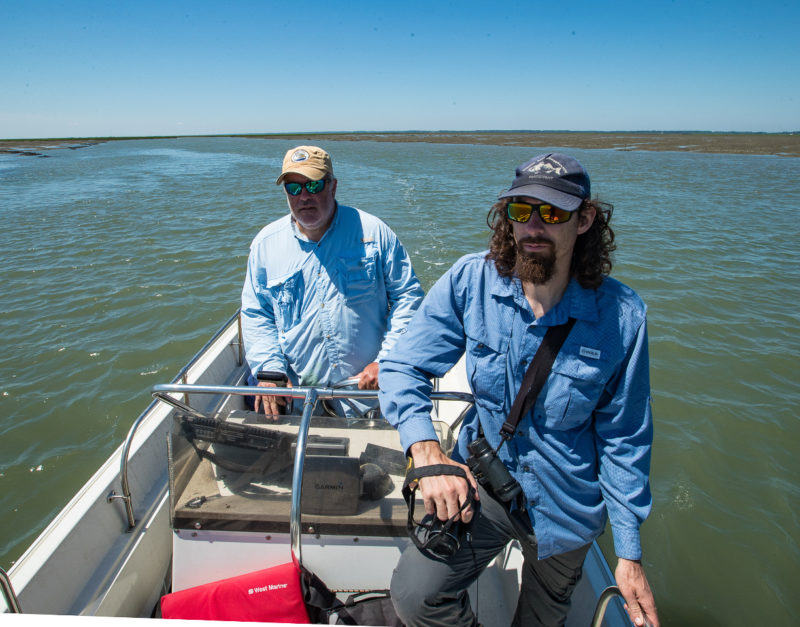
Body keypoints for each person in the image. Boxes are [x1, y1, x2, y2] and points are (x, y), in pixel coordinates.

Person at [379, 153, 659, 627]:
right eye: (520, 210)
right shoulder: (472, 280)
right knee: (415, 595)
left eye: (552, 214)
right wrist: (427, 453)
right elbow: (403, 364)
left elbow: (625, 438)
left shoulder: (623, 317)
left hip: (567, 507)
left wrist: (629, 555)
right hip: (484, 482)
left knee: (542, 620)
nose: (533, 226)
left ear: (585, 220)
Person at [241, 145, 423, 415]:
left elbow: (407, 297)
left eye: (313, 186)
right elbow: (257, 313)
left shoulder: (375, 232)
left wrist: (388, 361)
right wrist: (270, 371)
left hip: (368, 394)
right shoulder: (265, 245)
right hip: (299, 399)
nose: (303, 196)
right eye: (293, 188)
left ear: (333, 186)